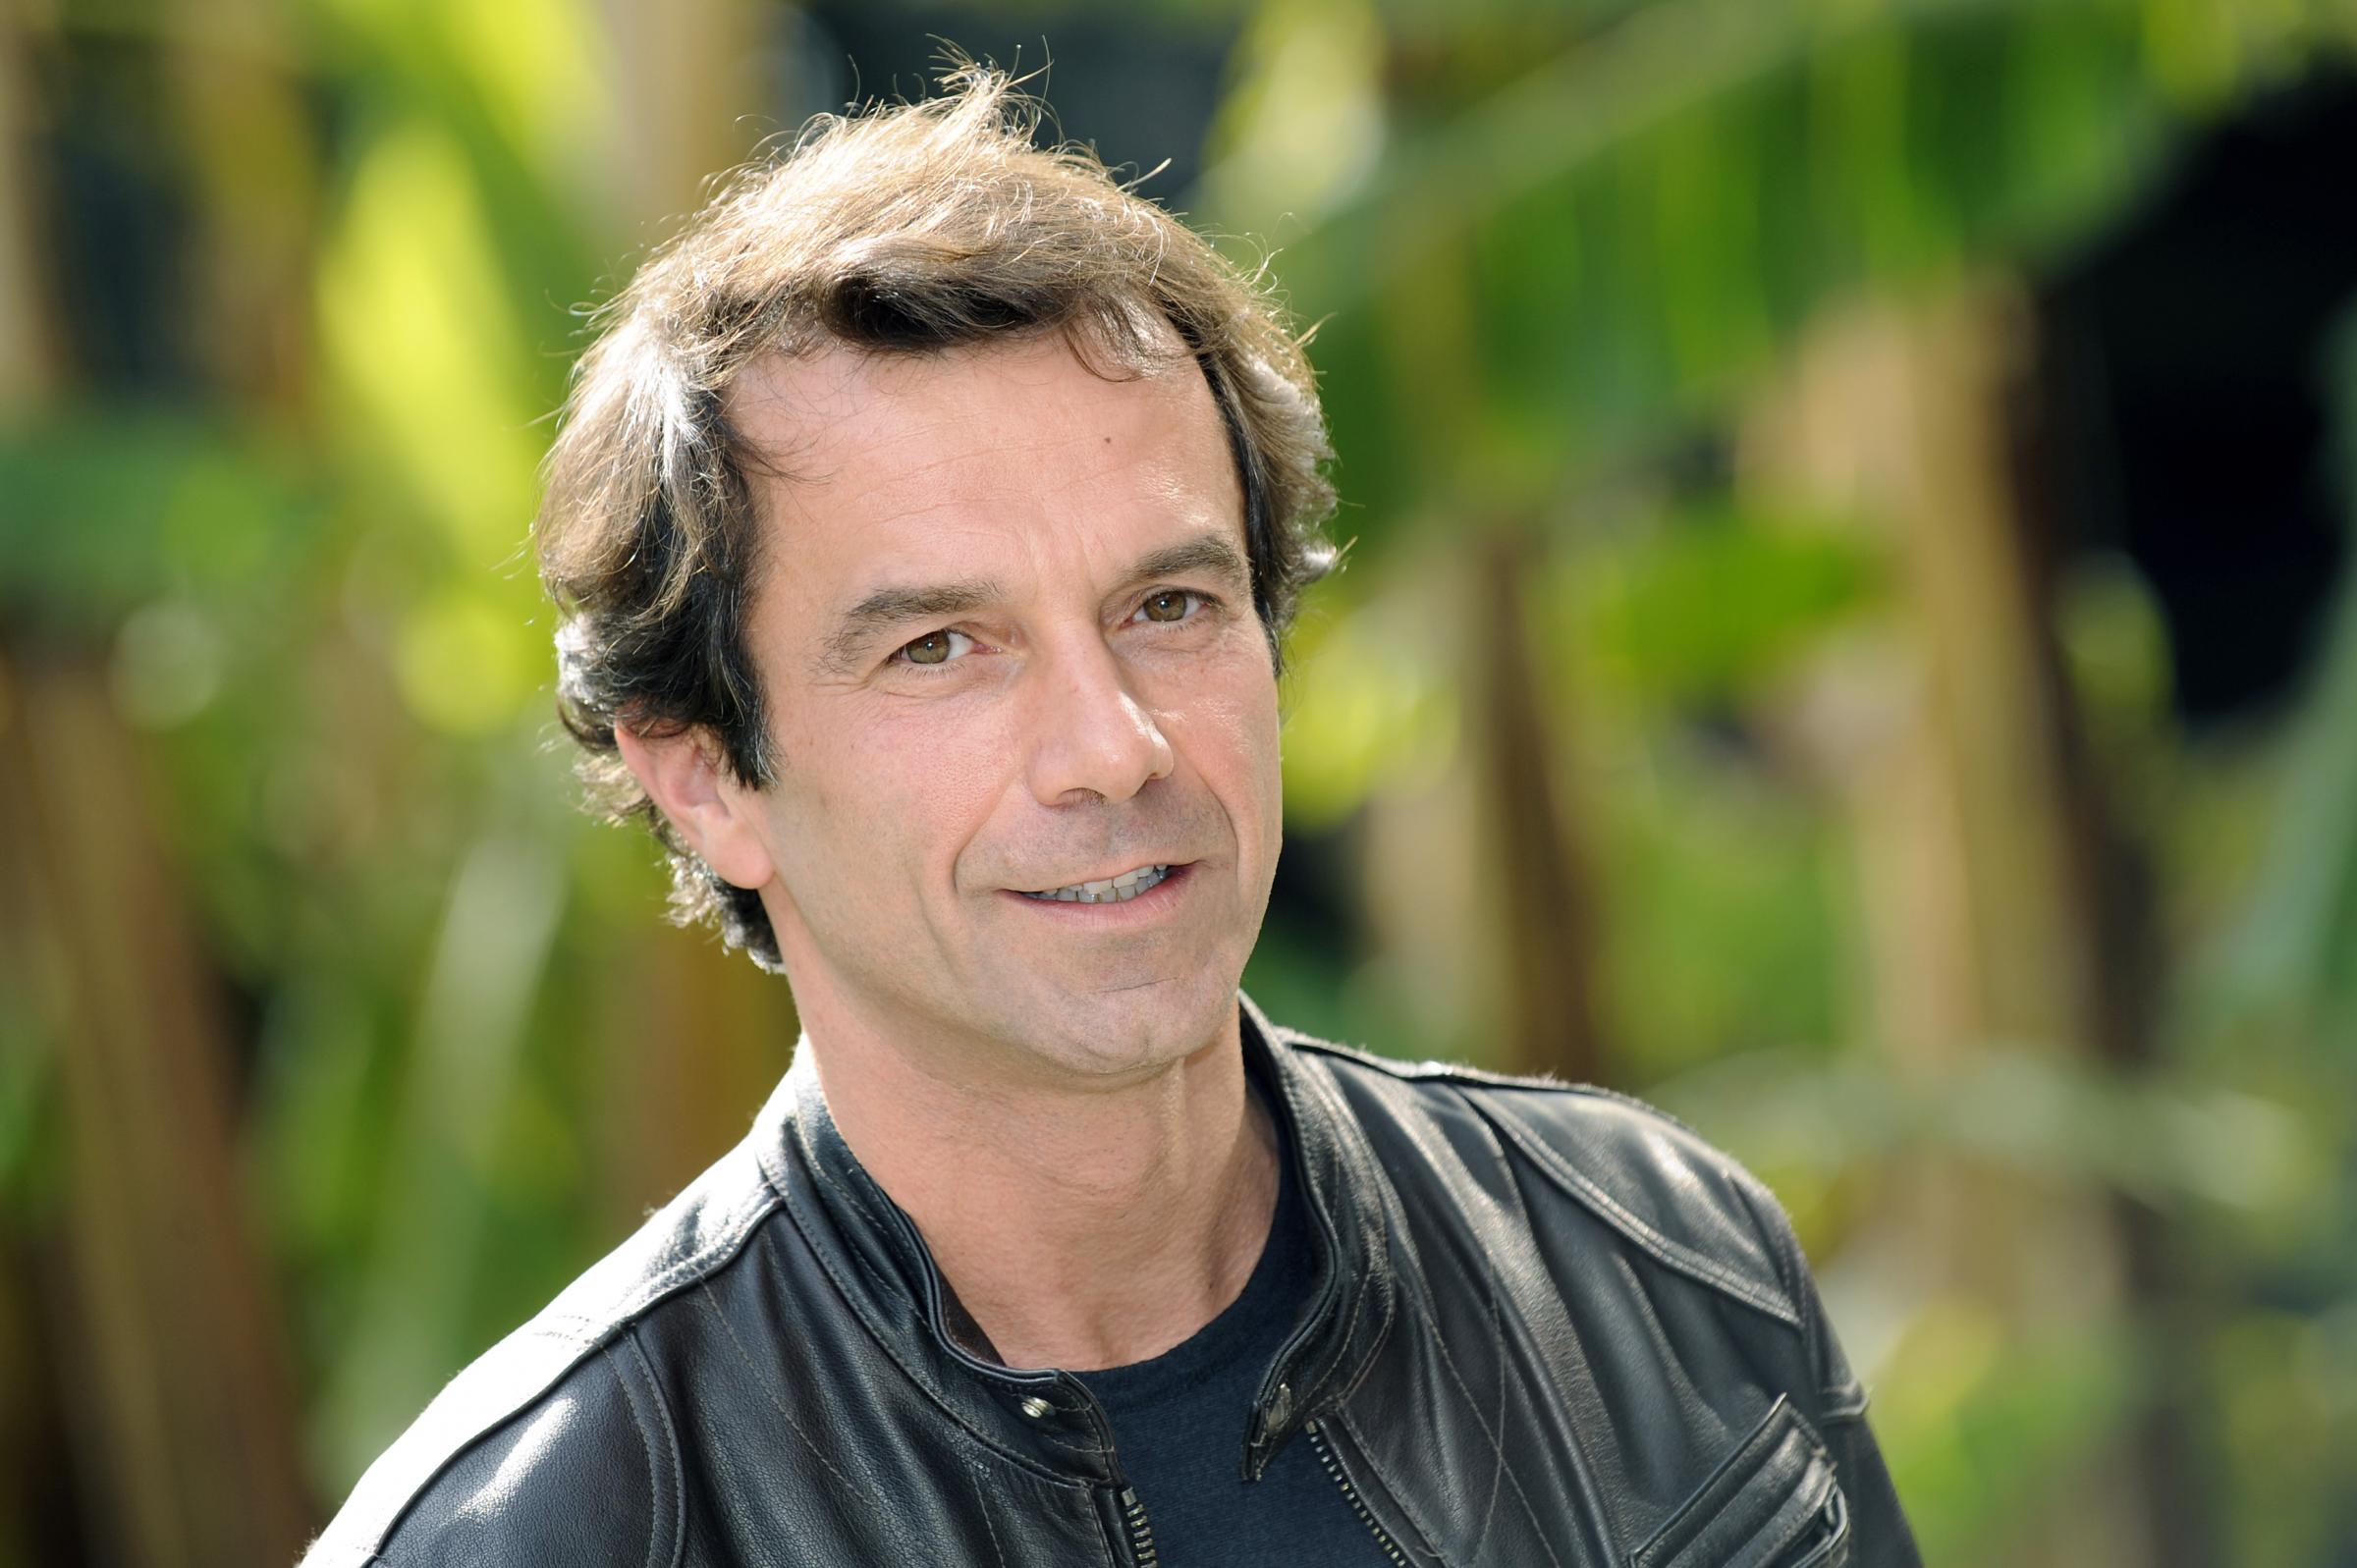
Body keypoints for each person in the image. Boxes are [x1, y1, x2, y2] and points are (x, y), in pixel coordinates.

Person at [300, 67, 1920, 1568]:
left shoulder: (1667, 1270)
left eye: (1169, 605)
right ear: (706, 775)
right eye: (943, 648)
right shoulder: (535, 1532)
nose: (1112, 747)